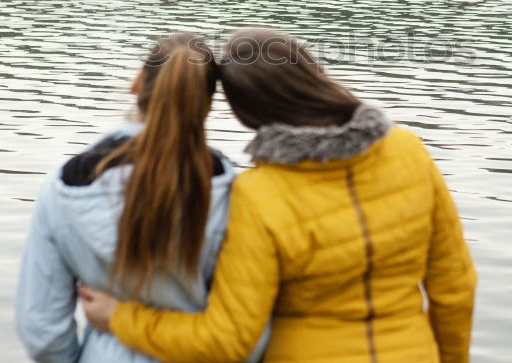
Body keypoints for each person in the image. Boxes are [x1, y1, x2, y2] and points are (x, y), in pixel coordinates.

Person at [80, 29, 477, 362]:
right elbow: (455, 288)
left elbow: (228, 338)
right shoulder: (408, 149)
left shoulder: (257, 196)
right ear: (314, 73)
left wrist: (121, 318)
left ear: (246, 115)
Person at [15, 33, 267, 362]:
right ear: (206, 105)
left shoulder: (64, 186)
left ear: (138, 83)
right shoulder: (236, 191)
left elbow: (42, 329)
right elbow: (253, 333)